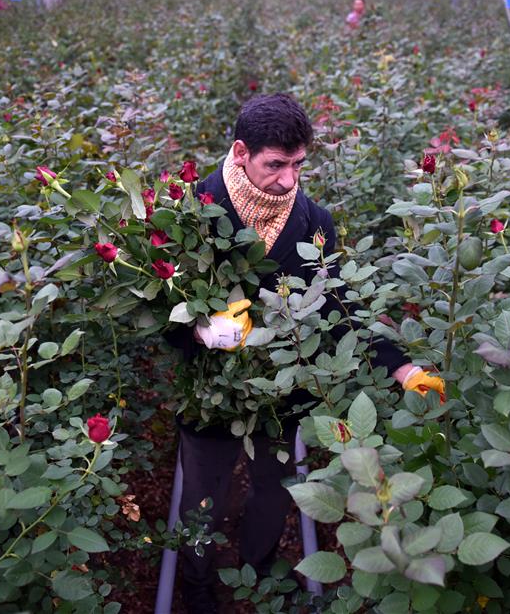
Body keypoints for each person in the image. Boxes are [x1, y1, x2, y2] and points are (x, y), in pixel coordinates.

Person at [169, 94, 444, 613]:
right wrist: (198, 333)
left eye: (298, 165)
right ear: (241, 153)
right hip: (209, 390)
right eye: (276, 164)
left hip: (283, 389)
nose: (289, 179)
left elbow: (342, 305)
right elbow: (156, 304)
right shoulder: (194, 210)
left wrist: (403, 367)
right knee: (203, 491)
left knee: (274, 488)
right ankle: (197, 580)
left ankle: (259, 567)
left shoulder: (314, 222)